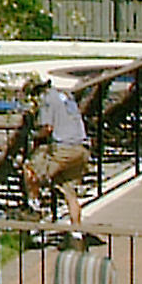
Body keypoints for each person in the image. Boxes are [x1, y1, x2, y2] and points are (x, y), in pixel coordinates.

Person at [23, 74, 91, 228]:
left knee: (31, 172)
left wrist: (34, 134)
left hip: (63, 149)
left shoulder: (46, 100)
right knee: (69, 193)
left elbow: (47, 129)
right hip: (81, 149)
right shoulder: (66, 96)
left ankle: (34, 210)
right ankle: (76, 231)